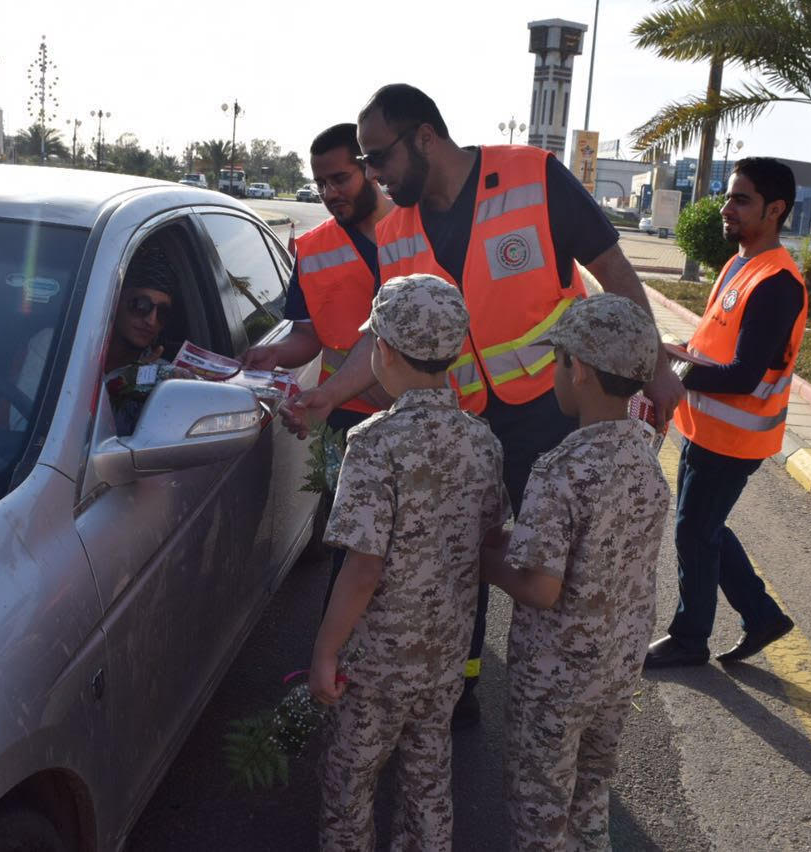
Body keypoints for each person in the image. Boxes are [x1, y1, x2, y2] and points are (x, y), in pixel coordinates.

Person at [285, 83, 685, 726]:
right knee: (462, 555)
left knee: (560, 561)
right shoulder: (397, 230)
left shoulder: (532, 177)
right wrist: (326, 394)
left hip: (555, 412)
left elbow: (614, 270)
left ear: (423, 137)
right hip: (465, 424)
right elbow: (381, 332)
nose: (374, 175)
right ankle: (461, 688)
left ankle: (571, 696)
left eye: (378, 157)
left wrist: (656, 368)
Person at [308, 274, 508, 851]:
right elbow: (488, 541)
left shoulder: (374, 443)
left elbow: (363, 568)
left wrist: (325, 651)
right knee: (428, 775)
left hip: (377, 662)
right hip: (445, 654)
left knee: (350, 779)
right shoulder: (483, 441)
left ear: (384, 350)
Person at [483, 293, 669, 851]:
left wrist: (488, 561)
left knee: (540, 810)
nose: (554, 375)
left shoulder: (561, 470)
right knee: (591, 794)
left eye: (557, 361)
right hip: (616, 666)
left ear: (579, 369)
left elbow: (541, 586)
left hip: (555, 677)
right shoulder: (642, 450)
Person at [645, 157, 807, 669]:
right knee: (703, 526)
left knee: (695, 530)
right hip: (706, 427)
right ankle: (761, 616)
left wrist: (673, 375)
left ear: (775, 210)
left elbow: (743, 374)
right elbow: (717, 344)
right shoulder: (741, 262)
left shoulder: (777, 281)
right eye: (728, 196)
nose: (727, 208)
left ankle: (691, 638)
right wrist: (682, 353)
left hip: (734, 439)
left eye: (741, 199)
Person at [243, 122, 396, 609]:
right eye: (320, 184)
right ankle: (342, 663)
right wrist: (275, 354)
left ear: (370, 171)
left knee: (428, 550)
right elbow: (308, 334)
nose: (329, 193)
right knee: (351, 545)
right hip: (347, 421)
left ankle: (455, 674)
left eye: (340, 179)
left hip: (426, 417)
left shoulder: (423, 231)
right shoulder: (311, 249)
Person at [100, 243, 180, 436]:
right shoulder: (58, 347)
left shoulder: (162, 375)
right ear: (116, 301)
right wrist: (121, 384)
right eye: (141, 305)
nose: (151, 320)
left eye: (162, 312)